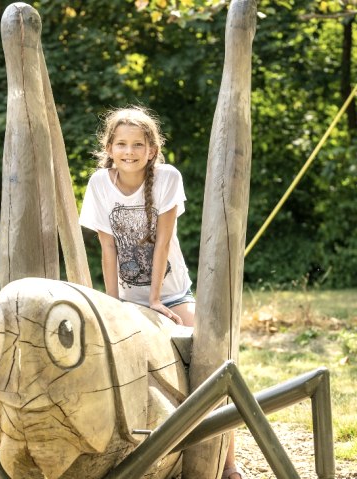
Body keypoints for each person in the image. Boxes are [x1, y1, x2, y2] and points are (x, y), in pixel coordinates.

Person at [79, 105, 242, 479]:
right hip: (125, 297)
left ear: (152, 150)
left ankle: (228, 462)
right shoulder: (99, 184)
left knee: (213, 360)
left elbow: (163, 243)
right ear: (109, 147)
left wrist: (155, 300)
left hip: (170, 292)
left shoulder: (167, 177)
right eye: (121, 143)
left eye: (138, 144)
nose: (129, 151)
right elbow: (107, 249)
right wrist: (114, 304)